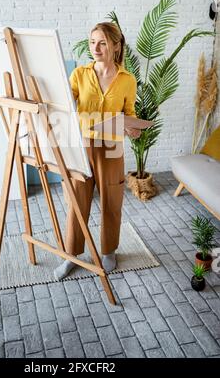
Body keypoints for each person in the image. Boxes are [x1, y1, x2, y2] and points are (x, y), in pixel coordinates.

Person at [54, 22, 140, 280]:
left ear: (115, 45)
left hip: (112, 146)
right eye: (92, 42)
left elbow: (129, 115)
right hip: (82, 145)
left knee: (111, 201)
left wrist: (133, 129)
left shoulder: (127, 79)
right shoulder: (79, 74)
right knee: (76, 203)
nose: (96, 48)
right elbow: (64, 104)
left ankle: (108, 250)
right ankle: (72, 255)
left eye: (102, 42)